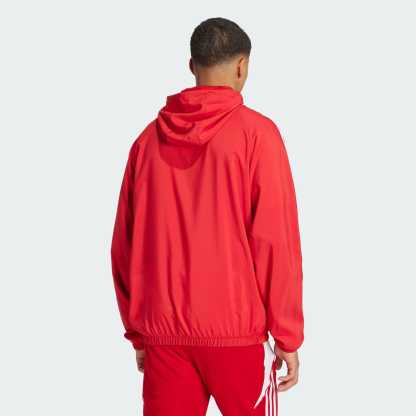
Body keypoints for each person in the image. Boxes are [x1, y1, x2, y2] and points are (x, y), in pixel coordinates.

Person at [111, 17, 304, 416]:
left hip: (165, 338)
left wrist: (140, 334)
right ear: (242, 66)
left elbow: (124, 247)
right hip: (238, 337)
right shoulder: (258, 136)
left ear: (191, 66)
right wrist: (287, 335)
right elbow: (276, 242)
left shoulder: (146, 143)